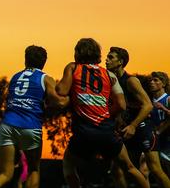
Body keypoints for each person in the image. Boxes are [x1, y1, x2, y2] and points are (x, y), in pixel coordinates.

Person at [56, 38, 148, 188]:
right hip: (106, 130)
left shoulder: (73, 68)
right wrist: (105, 114)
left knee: (68, 166)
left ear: (77, 52)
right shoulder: (110, 75)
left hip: (84, 131)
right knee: (130, 168)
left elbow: (62, 91)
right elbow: (121, 105)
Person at [0, 45, 68, 188]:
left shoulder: (15, 77)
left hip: (7, 125)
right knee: (33, 169)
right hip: (30, 125)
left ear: (25, 60)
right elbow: (59, 102)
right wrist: (71, 97)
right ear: (44, 62)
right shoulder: (45, 78)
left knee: (4, 174)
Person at [106, 47, 170, 188]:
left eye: (111, 57)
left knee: (155, 170)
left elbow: (147, 105)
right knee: (116, 170)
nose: (106, 60)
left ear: (120, 62)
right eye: (107, 57)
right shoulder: (112, 82)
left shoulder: (131, 81)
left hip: (143, 129)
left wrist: (133, 125)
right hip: (127, 130)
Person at [149, 72, 170, 174]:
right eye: (151, 80)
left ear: (164, 83)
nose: (152, 82)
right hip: (154, 140)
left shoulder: (168, 99)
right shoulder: (148, 101)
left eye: (155, 80)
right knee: (147, 169)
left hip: (167, 140)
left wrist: (164, 109)